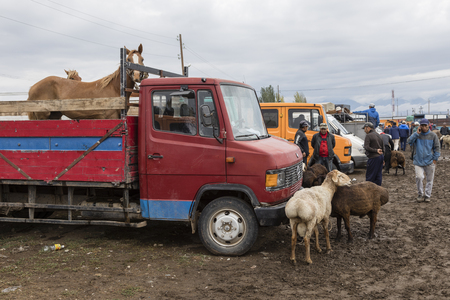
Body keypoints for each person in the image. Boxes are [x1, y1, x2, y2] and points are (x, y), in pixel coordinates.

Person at [407, 118, 440, 203]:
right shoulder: (417, 135)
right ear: (420, 126)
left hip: (430, 161)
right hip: (418, 161)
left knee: (430, 180)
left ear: (428, 125)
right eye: (422, 125)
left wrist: (435, 158)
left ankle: (427, 195)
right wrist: (416, 134)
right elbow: (409, 141)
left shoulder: (433, 135)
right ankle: (420, 194)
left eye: (425, 125)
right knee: (419, 177)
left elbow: (437, 147)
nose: (424, 127)